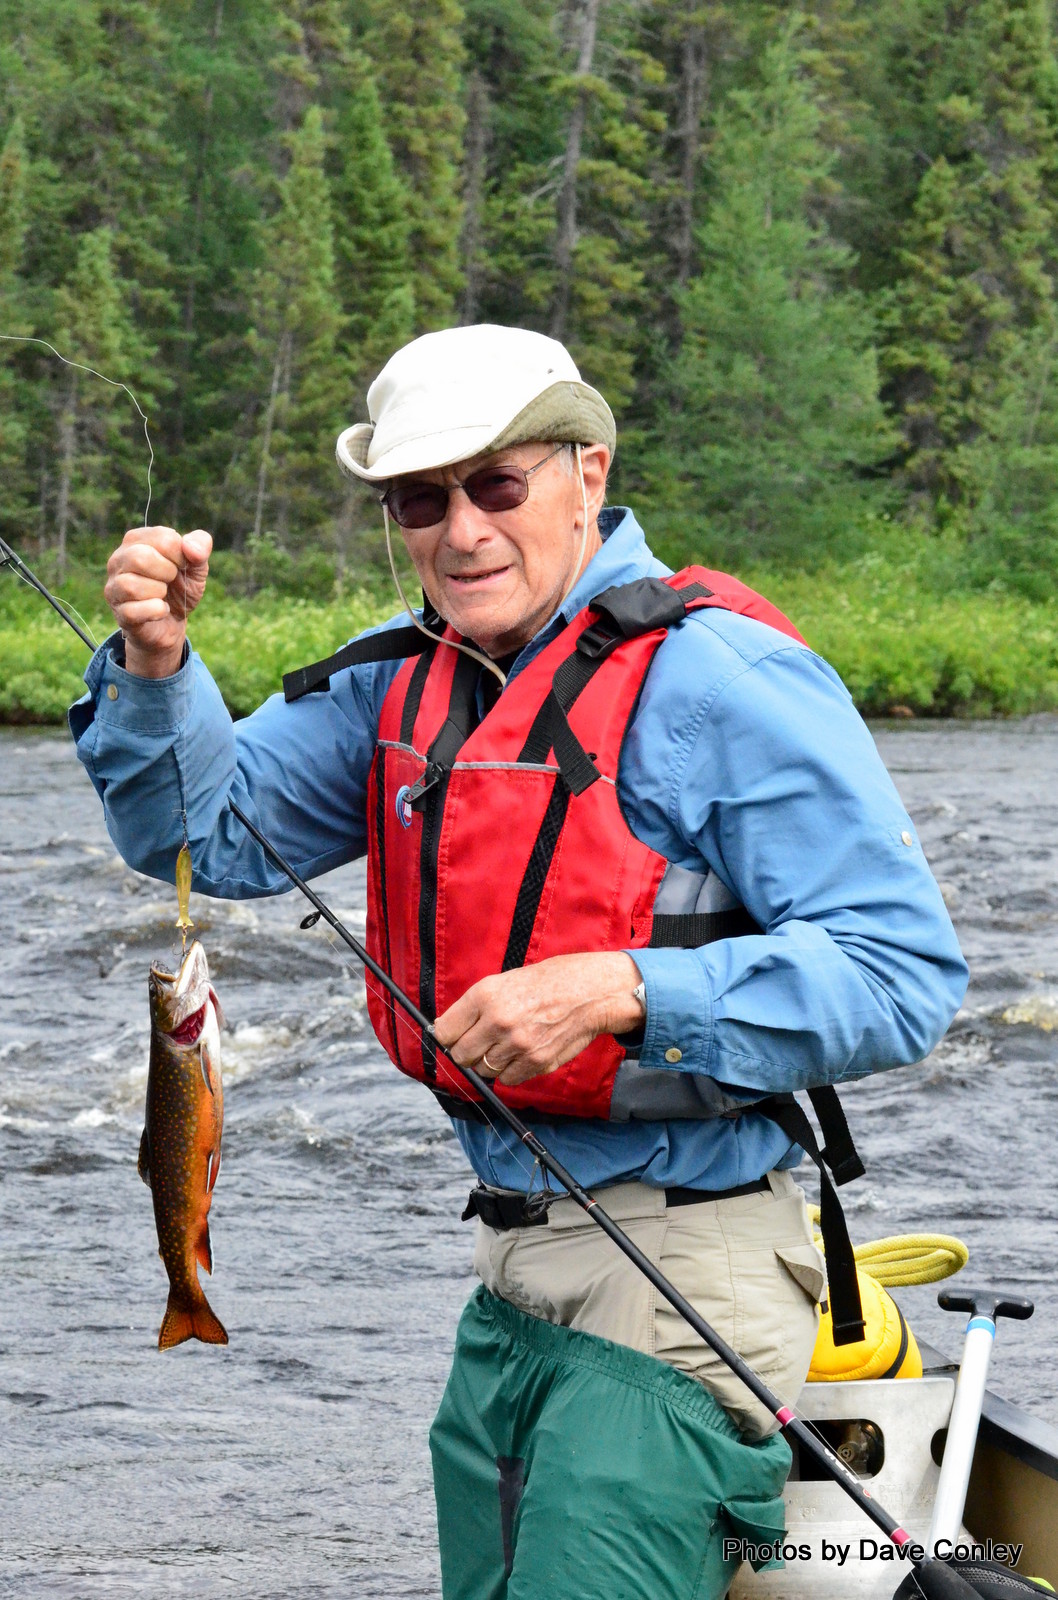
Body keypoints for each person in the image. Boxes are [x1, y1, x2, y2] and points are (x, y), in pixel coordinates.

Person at [71, 324, 967, 1599]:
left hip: (686, 1275)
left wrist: (623, 988)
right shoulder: (396, 679)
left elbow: (901, 976)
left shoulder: (725, 678)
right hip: (506, 1275)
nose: (461, 529)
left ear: (586, 477)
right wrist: (157, 674)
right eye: (420, 498)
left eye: (497, 484)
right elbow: (199, 836)